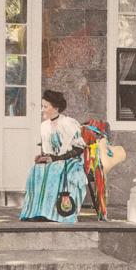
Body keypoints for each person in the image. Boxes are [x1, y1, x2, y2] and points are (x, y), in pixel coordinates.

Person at [20, 90, 87, 223]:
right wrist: (42, 156)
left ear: (56, 108)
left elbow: (79, 148)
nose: (42, 110)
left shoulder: (68, 123)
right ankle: (36, 212)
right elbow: (49, 149)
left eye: (45, 106)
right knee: (36, 170)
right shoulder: (44, 126)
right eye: (42, 106)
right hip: (55, 160)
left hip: (71, 160)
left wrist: (56, 159)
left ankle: (54, 213)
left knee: (55, 168)